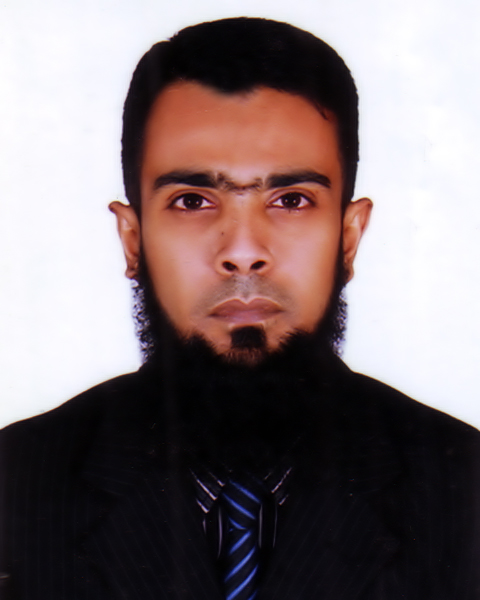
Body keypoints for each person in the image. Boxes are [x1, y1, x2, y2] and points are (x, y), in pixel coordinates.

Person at [1, 17, 479, 600]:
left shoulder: (465, 493)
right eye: (193, 200)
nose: (244, 251)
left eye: (291, 199)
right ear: (133, 240)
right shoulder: (15, 488)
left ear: (349, 238)